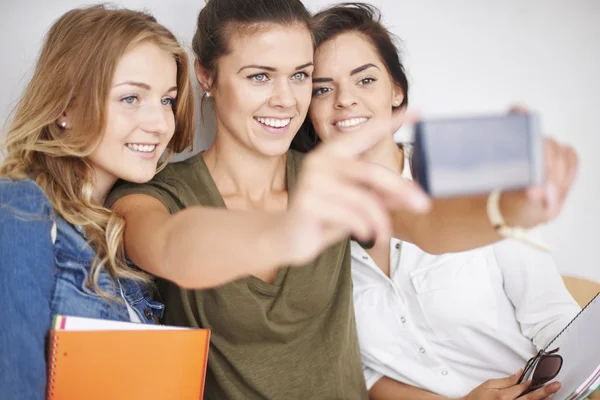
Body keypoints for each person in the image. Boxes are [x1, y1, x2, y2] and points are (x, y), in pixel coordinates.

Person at [107, 0, 578, 398]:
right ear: (207, 76)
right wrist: (283, 233)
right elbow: (173, 247)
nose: (285, 100)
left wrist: (516, 208)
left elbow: (430, 226)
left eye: (300, 77)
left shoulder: (327, 178)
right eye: (259, 77)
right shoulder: (152, 194)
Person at [306, 3, 581, 400]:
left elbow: (552, 317)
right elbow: (358, 368)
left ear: (396, 90)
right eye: (322, 88)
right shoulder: (305, 221)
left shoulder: (472, 186)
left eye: (364, 80)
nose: (345, 100)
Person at [0, 5, 195, 400]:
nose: (160, 124)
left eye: (166, 100)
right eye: (131, 99)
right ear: (64, 107)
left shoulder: (123, 227)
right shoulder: (20, 207)